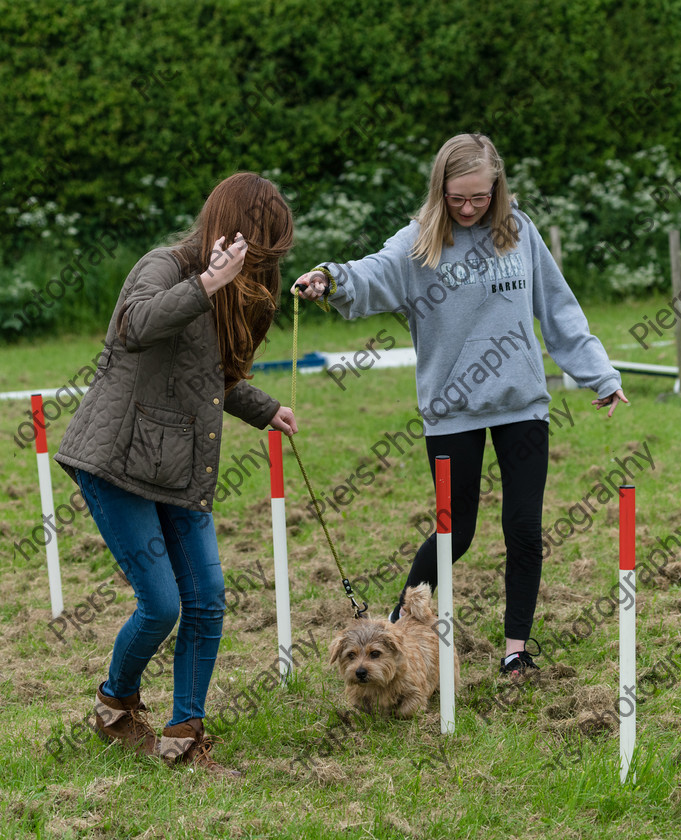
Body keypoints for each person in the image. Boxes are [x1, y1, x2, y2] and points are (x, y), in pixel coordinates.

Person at [293, 133, 628, 679]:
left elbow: (559, 309)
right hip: (451, 409)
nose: (469, 208)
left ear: (496, 187)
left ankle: (516, 648)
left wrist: (600, 373)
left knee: (524, 528)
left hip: (522, 405)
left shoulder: (520, 234)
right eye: (457, 199)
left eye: (479, 197)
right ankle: (398, 630)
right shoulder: (419, 242)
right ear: (440, 191)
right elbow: (373, 272)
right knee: (457, 531)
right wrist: (331, 278)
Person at [55, 172, 298, 776]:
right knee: (161, 605)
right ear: (229, 229)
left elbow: (211, 378)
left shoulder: (237, 292)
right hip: (114, 460)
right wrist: (207, 281)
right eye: (258, 248)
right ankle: (115, 703)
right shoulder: (164, 265)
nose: (261, 263)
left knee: (208, 602)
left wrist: (267, 410)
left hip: (180, 467)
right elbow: (133, 327)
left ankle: (184, 735)